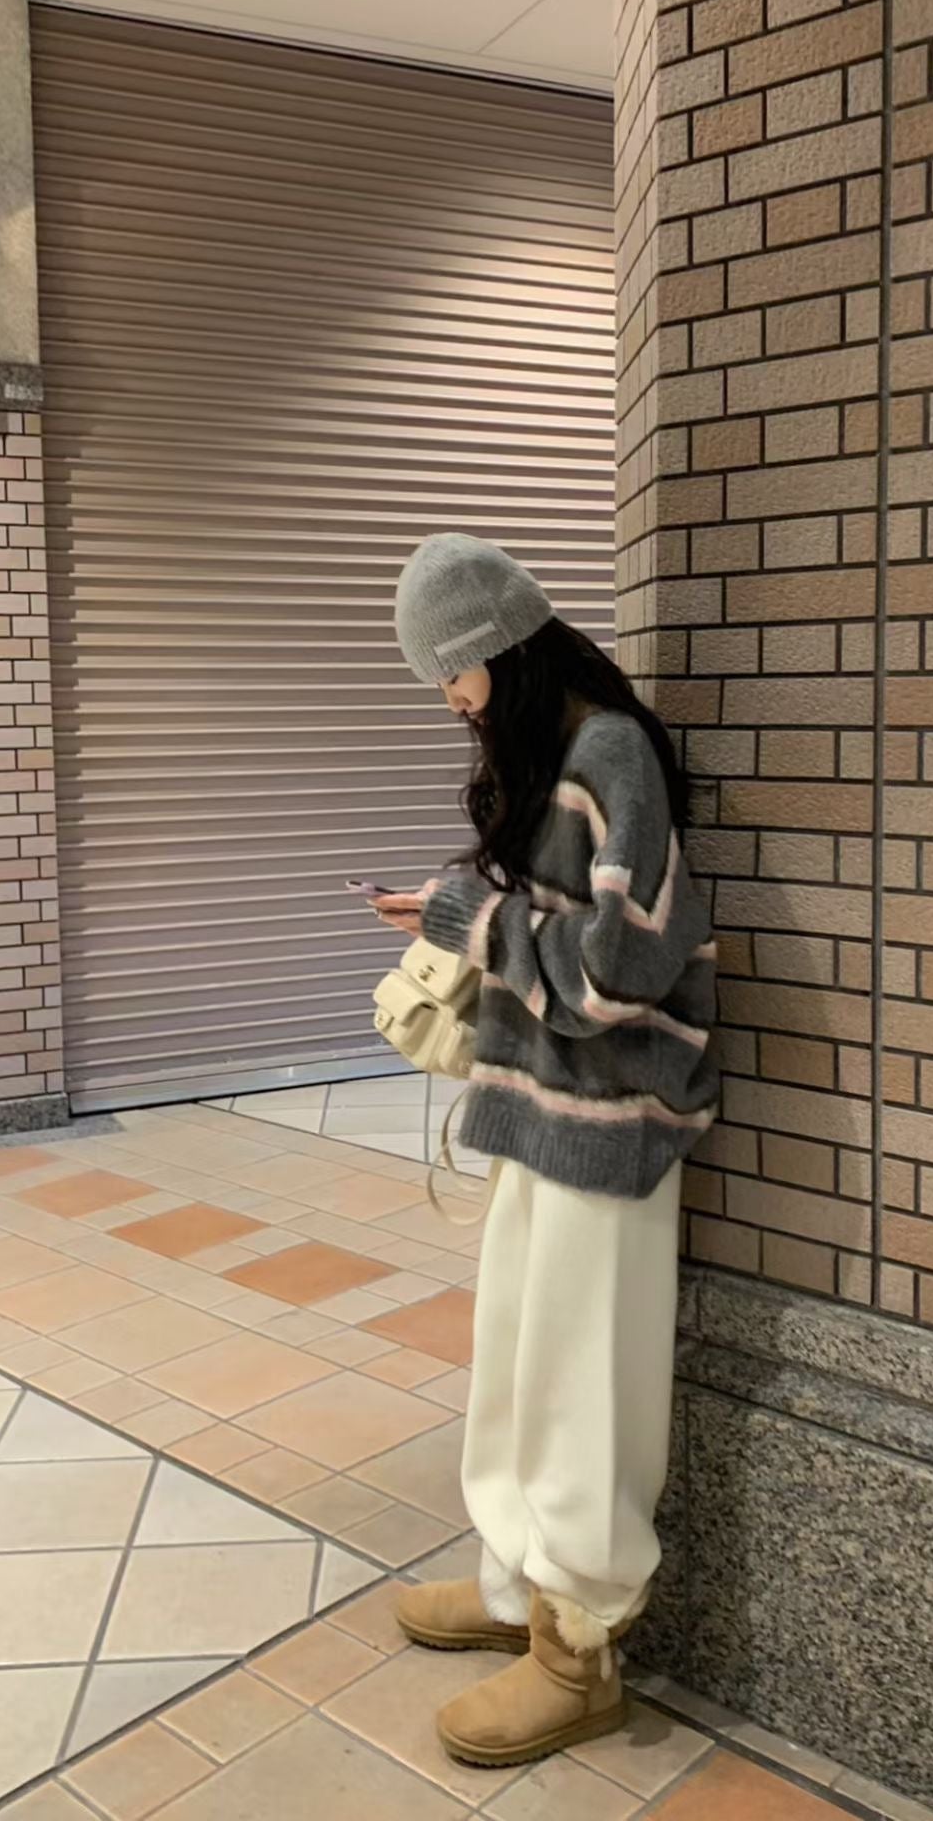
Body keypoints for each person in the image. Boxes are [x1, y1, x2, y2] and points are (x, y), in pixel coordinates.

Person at [371, 531, 718, 1771]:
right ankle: (517, 1587)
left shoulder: (610, 752)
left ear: (498, 650)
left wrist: (471, 916)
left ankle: (580, 1657)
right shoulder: (560, 753)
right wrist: (462, 915)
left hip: (610, 1123)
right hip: (542, 1106)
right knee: (519, 1366)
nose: (451, 700)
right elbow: (551, 933)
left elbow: (621, 970)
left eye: (451, 673)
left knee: (581, 1389)